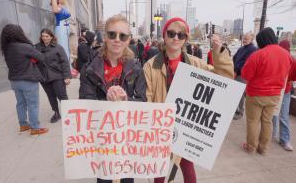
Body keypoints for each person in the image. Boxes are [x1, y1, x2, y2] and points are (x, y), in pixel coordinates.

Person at [143, 17, 234, 183]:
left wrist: (218, 52)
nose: (176, 38)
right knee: (159, 171)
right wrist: (153, 126)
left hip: (186, 127)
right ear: (164, 35)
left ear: (186, 39)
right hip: (161, 126)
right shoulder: (150, 66)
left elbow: (225, 80)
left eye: (181, 35)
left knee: (187, 166)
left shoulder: (195, 64)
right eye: (171, 33)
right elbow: (147, 98)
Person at [79, 15, 147, 183]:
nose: (117, 40)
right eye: (112, 34)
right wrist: (107, 104)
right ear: (105, 36)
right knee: (104, 179)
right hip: (102, 139)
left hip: (127, 139)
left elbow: (142, 102)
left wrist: (126, 100)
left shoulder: (137, 69)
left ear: (128, 39)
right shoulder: (89, 70)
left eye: (122, 36)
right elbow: (85, 105)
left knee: (127, 179)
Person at [241, 27, 291, 155]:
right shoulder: (286, 54)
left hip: (256, 94)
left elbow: (246, 74)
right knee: (267, 121)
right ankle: (263, 149)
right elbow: (293, 72)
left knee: (253, 121)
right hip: (274, 95)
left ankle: (251, 147)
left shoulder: (258, 54)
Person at [0, 24, 48, 135]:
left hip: (14, 81)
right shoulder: (25, 47)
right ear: (19, 33)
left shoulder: (6, 48)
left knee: (20, 103)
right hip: (28, 80)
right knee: (33, 104)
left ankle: (23, 125)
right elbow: (41, 57)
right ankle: (35, 128)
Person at [272, 39, 296, 151]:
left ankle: (284, 139)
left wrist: (291, 79)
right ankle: (278, 136)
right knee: (276, 114)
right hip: (277, 90)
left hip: (282, 91)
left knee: (281, 115)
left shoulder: (290, 60)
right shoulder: (282, 58)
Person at [35, 28, 71, 123]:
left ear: (51, 37)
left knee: (62, 95)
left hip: (57, 75)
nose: (44, 38)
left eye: (47, 36)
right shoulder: (37, 48)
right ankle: (56, 113)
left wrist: (67, 76)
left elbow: (65, 62)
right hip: (44, 77)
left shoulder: (58, 47)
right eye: (43, 36)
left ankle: (68, 113)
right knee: (51, 96)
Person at [232, 32, 257, 120]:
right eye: (244, 38)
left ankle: (239, 112)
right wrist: (234, 68)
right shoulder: (241, 48)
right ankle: (235, 110)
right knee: (236, 93)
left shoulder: (253, 49)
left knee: (240, 94)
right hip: (236, 73)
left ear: (251, 39)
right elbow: (234, 58)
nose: (244, 40)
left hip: (243, 75)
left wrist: (236, 69)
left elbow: (247, 63)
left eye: (246, 39)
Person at [51, 0, 71, 65]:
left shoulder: (62, 7)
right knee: (63, 48)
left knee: (67, 48)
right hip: (61, 29)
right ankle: (65, 66)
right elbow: (55, 10)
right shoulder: (57, 8)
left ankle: (68, 66)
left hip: (65, 29)